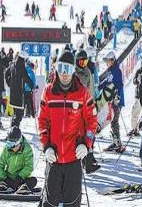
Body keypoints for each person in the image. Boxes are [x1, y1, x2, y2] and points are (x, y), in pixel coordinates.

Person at [38, 50, 97, 207]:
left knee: (72, 203)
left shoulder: (82, 93)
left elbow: (92, 121)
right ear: (56, 68)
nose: (64, 74)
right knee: (50, 203)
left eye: (68, 69)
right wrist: (46, 147)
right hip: (54, 157)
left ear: (73, 70)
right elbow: (42, 121)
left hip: (74, 158)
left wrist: (86, 144)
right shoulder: (48, 92)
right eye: (61, 68)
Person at [0, 126, 37, 193]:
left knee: (33, 180)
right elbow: (0, 165)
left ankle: (23, 188)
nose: (11, 147)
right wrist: (5, 178)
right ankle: (1, 185)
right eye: (9, 143)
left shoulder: (27, 149)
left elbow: (29, 167)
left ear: (18, 142)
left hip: (19, 179)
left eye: (12, 144)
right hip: (7, 178)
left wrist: (19, 178)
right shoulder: (7, 149)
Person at [100, 50, 124, 152]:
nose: (106, 63)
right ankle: (116, 142)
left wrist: (117, 96)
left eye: (107, 61)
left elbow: (119, 84)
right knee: (113, 121)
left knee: (114, 121)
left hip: (116, 100)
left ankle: (118, 144)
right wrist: (99, 86)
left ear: (112, 60)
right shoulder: (111, 71)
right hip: (111, 99)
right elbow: (107, 82)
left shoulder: (117, 71)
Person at [5, 51, 35, 128]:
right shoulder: (21, 66)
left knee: (15, 112)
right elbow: (26, 78)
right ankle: (15, 129)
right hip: (19, 93)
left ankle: (13, 128)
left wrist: (9, 83)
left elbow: (6, 74)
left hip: (12, 92)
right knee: (19, 114)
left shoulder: (12, 64)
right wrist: (32, 86)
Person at [128, 56, 142, 137]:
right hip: (138, 96)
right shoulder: (139, 71)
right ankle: (134, 129)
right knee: (135, 112)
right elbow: (134, 81)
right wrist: (137, 80)